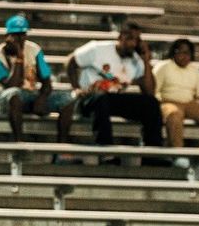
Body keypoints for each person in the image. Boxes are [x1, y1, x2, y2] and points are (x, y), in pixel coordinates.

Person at [66, 21, 164, 161]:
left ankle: (153, 154)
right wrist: (76, 88)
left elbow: (149, 91)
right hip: (90, 97)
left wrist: (146, 61)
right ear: (120, 37)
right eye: (130, 38)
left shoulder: (136, 61)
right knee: (101, 98)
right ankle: (106, 150)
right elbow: (70, 62)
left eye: (137, 40)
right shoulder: (97, 49)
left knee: (151, 103)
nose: (133, 44)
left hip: (113, 99)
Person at [0, 15, 75, 145]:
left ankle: (62, 148)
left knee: (67, 99)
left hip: (30, 94)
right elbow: (12, 85)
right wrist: (19, 57)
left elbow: (46, 80)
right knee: (14, 94)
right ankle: (19, 142)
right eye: (16, 35)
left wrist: (42, 98)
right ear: (7, 37)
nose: (20, 39)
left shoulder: (34, 49)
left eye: (23, 34)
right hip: (5, 99)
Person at [153, 38, 199, 168]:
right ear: (174, 52)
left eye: (188, 53)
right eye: (181, 52)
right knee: (174, 114)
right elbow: (153, 90)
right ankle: (178, 154)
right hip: (167, 101)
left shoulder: (194, 70)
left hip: (189, 102)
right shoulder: (163, 66)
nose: (185, 56)